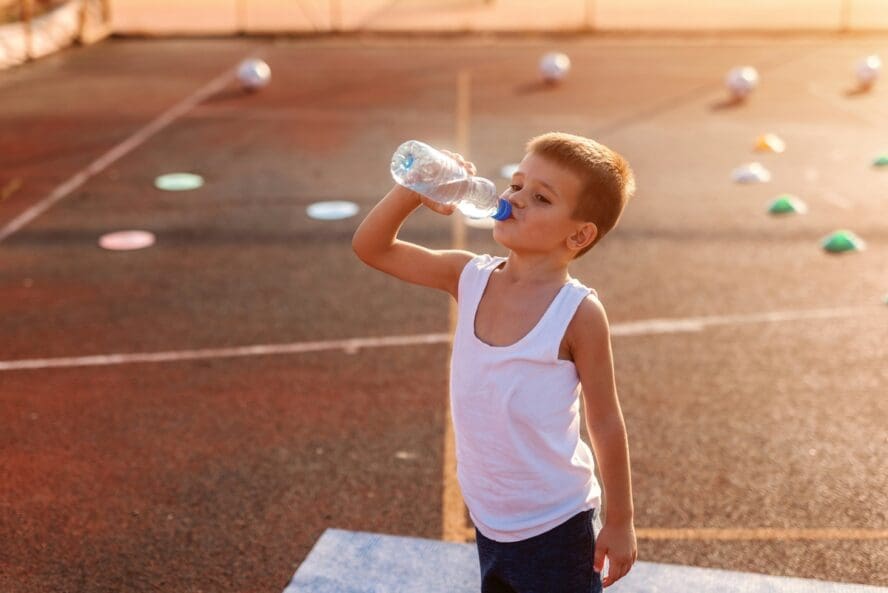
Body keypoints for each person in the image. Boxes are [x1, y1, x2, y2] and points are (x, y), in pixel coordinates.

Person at [352, 132, 637, 592]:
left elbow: (605, 423)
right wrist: (416, 188)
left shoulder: (578, 313)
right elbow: (372, 247)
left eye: (540, 197)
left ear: (579, 234)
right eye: (516, 184)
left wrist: (620, 522)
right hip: (490, 521)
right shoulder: (468, 276)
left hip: (557, 527)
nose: (516, 199)